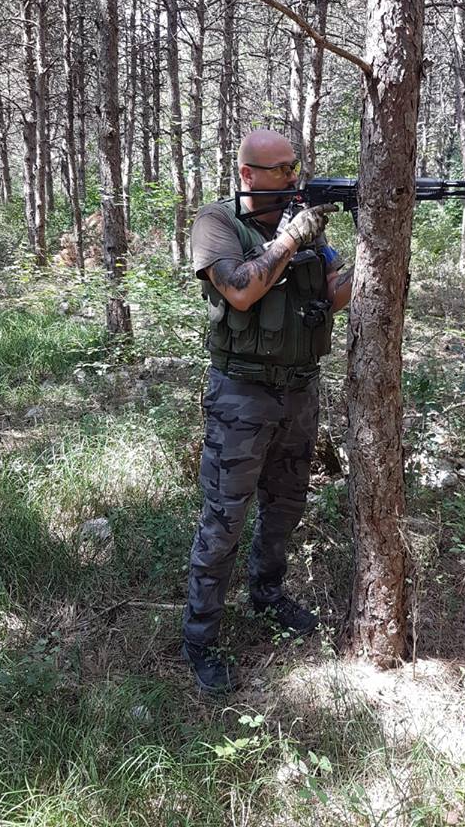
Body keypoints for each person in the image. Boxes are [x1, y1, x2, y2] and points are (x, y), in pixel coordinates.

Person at [182, 129, 353, 693]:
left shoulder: (303, 223)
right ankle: (201, 638)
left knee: (285, 507)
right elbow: (239, 291)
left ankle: (268, 594)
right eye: (280, 169)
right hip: (242, 394)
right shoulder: (218, 223)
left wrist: (373, 256)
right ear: (247, 174)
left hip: (300, 392)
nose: (292, 176)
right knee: (224, 520)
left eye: (294, 166)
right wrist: (288, 239)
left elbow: (333, 293)